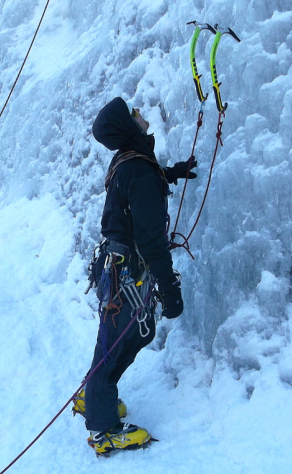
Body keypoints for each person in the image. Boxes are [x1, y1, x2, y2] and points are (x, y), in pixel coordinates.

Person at [73, 97, 197, 455]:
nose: (140, 115)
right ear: (127, 127)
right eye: (133, 114)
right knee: (118, 342)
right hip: (127, 271)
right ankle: (102, 429)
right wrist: (169, 286)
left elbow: (136, 191)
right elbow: (149, 238)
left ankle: (93, 395)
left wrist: (169, 173)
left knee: (123, 338)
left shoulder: (132, 162)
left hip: (118, 267)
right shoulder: (137, 168)